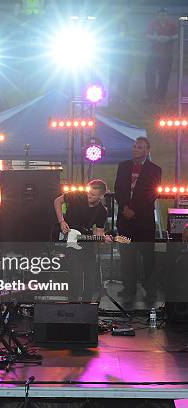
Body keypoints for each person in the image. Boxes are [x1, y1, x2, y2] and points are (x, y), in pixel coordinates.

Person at [114, 137, 161, 305]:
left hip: (144, 222)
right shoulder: (123, 166)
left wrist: (135, 211)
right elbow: (118, 189)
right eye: (134, 146)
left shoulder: (155, 169)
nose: (135, 149)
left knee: (148, 257)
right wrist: (125, 208)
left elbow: (152, 194)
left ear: (147, 151)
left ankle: (150, 290)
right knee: (126, 256)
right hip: (124, 221)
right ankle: (129, 288)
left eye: (140, 147)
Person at [53, 179, 112, 301]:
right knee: (76, 275)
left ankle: (86, 305)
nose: (89, 195)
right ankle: (72, 304)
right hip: (69, 238)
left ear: (101, 196)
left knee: (90, 276)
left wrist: (103, 239)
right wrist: (61, 221)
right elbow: (57, 201)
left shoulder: (102, 211)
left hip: (86, 242)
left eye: (93, 194)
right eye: (89, 192)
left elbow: (99, 233)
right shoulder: (77, 195)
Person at [144, 8, 178, 104]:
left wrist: (169, 38)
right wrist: (155, 38)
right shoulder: (153, 24)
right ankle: (150, 95)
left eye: (164, 15)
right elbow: (146, 35)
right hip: (154, 54)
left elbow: (177, 35)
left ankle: (161, 97)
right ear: (157, 15)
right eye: (160, 15)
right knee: (149, 73)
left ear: (166, 15)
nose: (162, 16)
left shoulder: (172, 24)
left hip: (167, 55)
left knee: (164, 75)